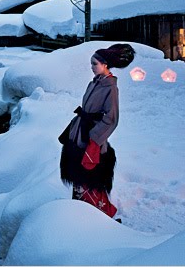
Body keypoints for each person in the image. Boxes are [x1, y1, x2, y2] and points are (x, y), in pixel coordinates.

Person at [58, 43, 135, 219]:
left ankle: (99, 217)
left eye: (95, 64)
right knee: (78, 178)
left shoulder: (110, 88)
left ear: (105, 64)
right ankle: (78, 213)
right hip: (80, 133)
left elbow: (112, 118)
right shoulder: (95, 82)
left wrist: (94, 139)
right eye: (91, 63)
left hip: (91, 138)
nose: (92, 67)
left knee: (89, 179)